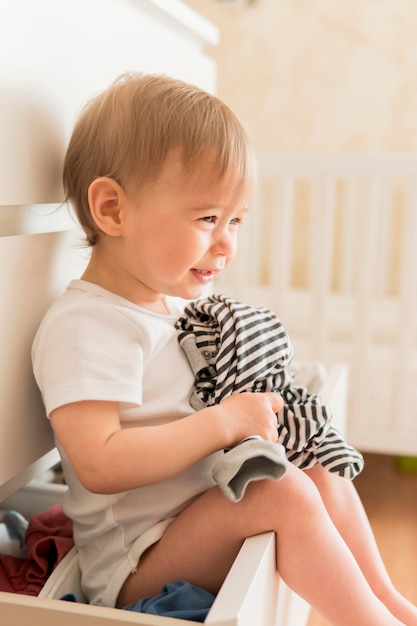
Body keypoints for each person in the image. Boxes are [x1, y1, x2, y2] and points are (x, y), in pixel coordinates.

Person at [32, 72, 417, 626]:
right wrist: (222, 423)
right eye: (208, 218)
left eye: (235, 221)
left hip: (193, 514)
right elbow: (98, 461)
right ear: (113, 209)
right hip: (134, 559)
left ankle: (385, 597)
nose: (227, 243)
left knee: (319, 466)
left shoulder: (168, 310)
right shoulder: (88, 324)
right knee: (281, 495)